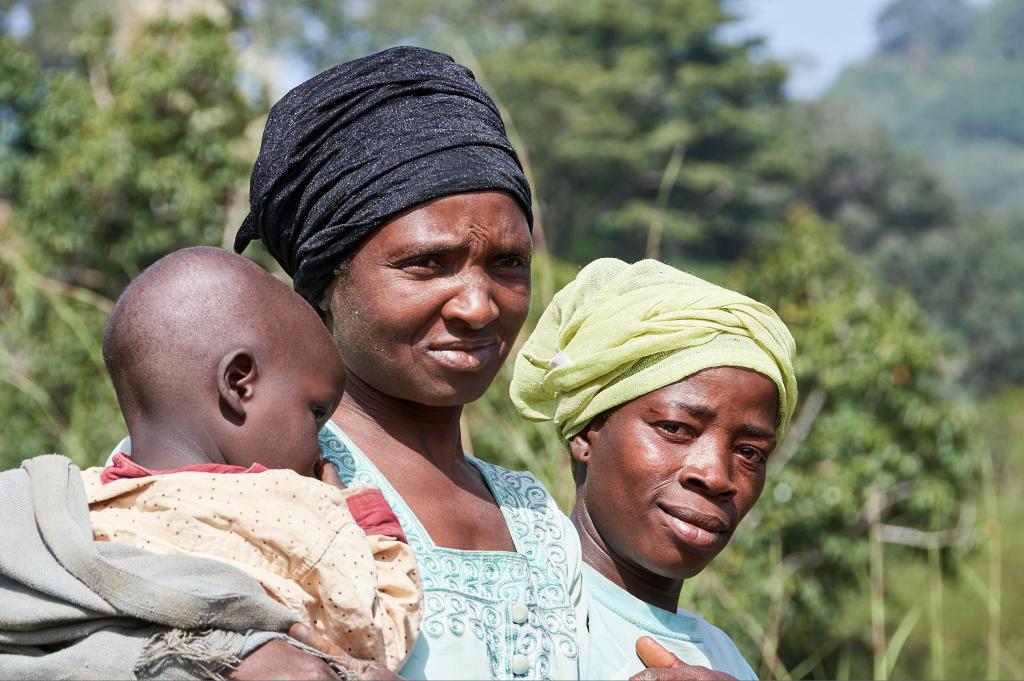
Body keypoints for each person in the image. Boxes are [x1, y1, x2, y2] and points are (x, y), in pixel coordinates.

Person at [234, 46, 584, 680]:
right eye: (427, 264)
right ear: (322, 285)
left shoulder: (535, 517)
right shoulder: (251, 481)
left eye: (507, 264)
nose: (479, 307)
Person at [86, 246, 421, 674]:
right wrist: (361, 518)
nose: (321, 450)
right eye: (316, 414)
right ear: (239, 384)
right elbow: (376, 640)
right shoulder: (291, 509)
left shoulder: (81, 506)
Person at [511, 258, 798, 680]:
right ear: (587, 431)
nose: (716, 476)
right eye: (675, 428)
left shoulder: (726, 660)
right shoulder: (506, 609)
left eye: (750, 453)